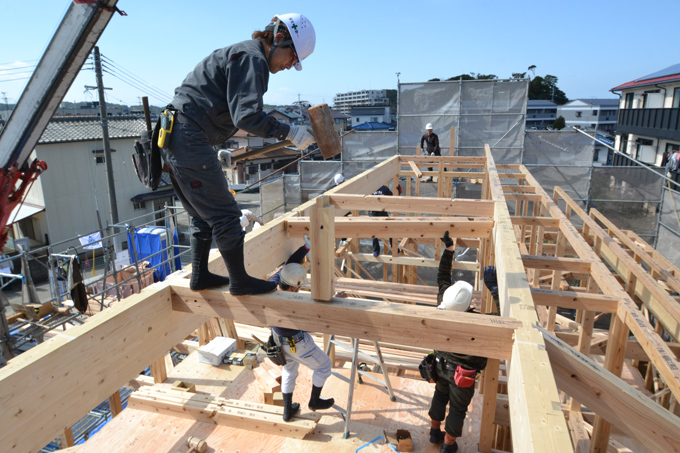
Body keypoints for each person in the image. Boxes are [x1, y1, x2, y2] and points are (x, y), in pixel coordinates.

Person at [161, 14, 317, 295]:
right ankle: (240, 282)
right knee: (226, 215)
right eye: (291, 57)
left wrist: (286, 130)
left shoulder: (244, 54)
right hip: (188, 135)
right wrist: (289, 132)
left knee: (201, 214)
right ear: (279, 37)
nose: (288, 66)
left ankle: (201, 276)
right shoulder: (252, 58)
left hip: (175, 135)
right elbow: (246, 116)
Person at [428, 231, 500, 452]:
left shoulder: (442, 304)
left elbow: (442, 277)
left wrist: (449, 250)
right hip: (463, 374)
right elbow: (504, 318)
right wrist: (496, 291)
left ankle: (434, 433)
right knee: (458, 409)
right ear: (469, 304)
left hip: (440, 364)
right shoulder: (478, 323)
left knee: (440, 395)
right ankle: (448, 446)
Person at [269, 236, 335, 421]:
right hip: (297, 343)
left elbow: (290, 265)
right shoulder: (294, 303)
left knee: (289, 371)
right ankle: (315, 401)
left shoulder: (273, 284)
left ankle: (287, 410)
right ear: (292, 289)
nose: (299, 291)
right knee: (324, 366)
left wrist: (306, 247)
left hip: (278, 341)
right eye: (298, 288)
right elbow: (319, 313)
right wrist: (336, 300)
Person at [369, 184, 401, 257]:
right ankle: (376, 250)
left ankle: (394, 247)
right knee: (374, 233)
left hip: (383, 212)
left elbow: (392, 199)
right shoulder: (371, 188)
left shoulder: (384, 188)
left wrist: (398, 193)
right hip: (374, 213)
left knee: (389, 229)